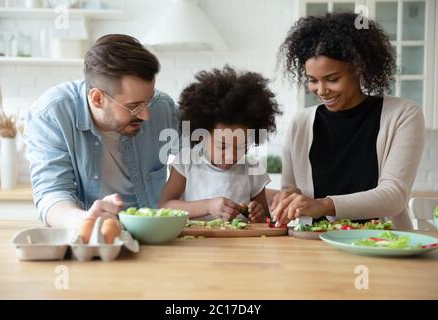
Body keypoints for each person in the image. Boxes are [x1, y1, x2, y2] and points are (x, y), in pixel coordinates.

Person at [270, 12, 425, 229]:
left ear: (358, 69)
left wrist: (323, 205)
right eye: (313, 80)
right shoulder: (300, 124)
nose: (322, 90)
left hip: (382, 243)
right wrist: (287, 199)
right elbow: (292, 188)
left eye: (332, 79)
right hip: (313, 243)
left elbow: (393, 196)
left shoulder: (403, 115)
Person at [24, 34, 179, 228]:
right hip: (93, 238)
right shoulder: (51, 115)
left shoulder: (162, 107)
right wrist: (86, 220)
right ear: (97, 98)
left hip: (155, 233)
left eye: (148, 100)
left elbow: (201, 154)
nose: (146, 115)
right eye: (134, 106)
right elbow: (52, 195)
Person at [158, 66, 282, 222]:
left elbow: (265, 218)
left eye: (241, 146)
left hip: (241, 245)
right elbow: (164, 207)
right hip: (195, 244)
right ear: (202, 135)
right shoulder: (186, 162)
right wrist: (208, 206)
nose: (230, 157)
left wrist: (258, 213)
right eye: (222, 146)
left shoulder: (252, 168)